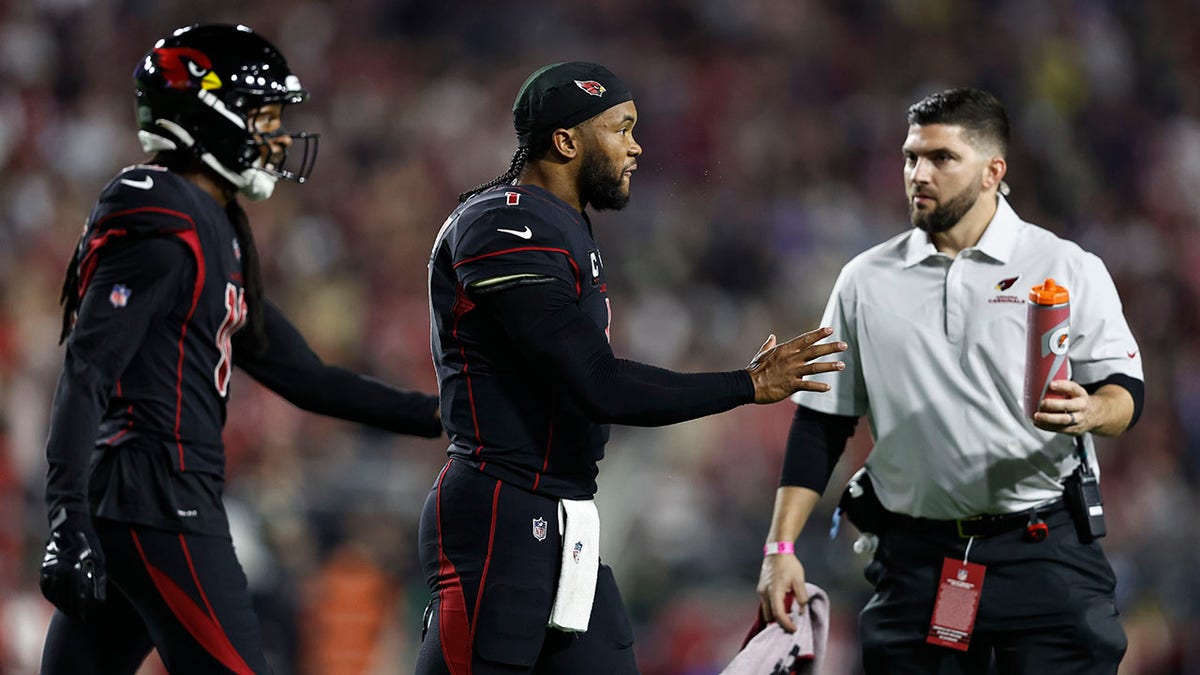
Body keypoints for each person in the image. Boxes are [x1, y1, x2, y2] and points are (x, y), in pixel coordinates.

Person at [38, 24, 443, 675]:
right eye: (265, 116)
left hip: (135, 500)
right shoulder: (163, 214)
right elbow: (87, 367)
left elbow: (307, 377)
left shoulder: (214, 222)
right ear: (206, 113)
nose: (278, 136)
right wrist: (66, 516)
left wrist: (438, 413)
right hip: (162, 496)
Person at [419, 61, 847, 674]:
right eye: (621, 128)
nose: (637, 145)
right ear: (566, 142)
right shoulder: (504, 223)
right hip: (500, 512)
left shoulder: (564, 227)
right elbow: (599, 384)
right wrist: (747, 385)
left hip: (564, 516)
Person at [755, 88, 1144, 674]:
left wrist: (1093, 411)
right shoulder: (865, 280)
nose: (919, 174)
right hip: (917, 558)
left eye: (941, 158)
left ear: (994, 172)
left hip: (1042, 548)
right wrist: (779, 549)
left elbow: (1125, 390)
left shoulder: (1063, 265)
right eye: (911, 157)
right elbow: (823, 422)